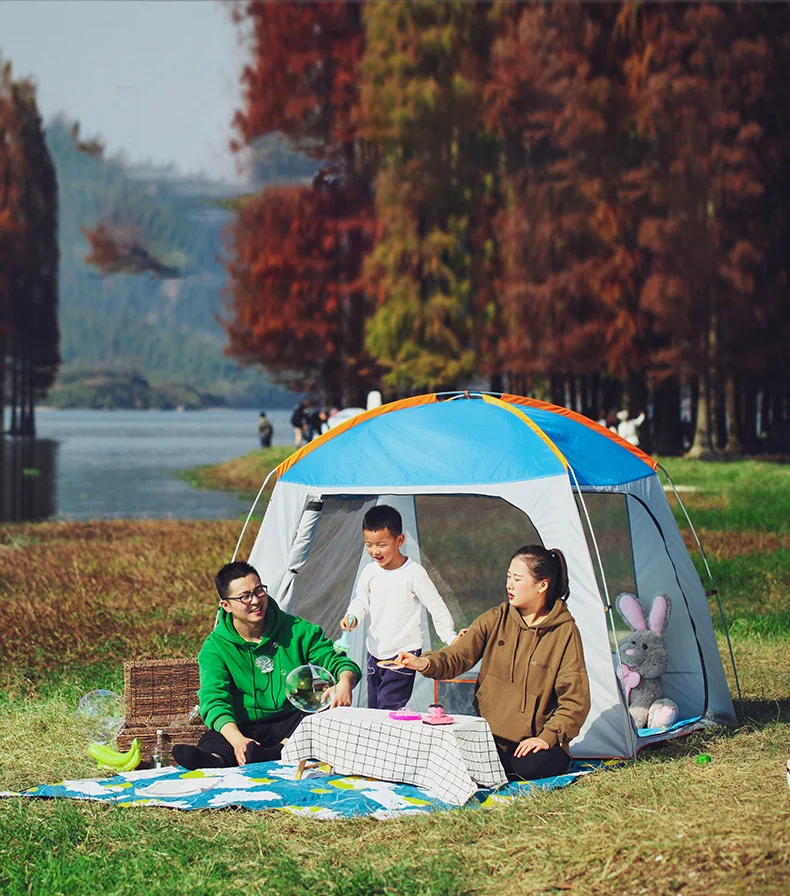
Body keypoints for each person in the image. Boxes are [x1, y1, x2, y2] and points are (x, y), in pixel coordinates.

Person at [395, 545, 590, 781]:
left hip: (533, 744)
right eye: (508, 577)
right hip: (490, 739)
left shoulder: (565, 632)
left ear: (542, 585)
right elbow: (456, 655)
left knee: (530, 765)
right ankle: (495, 767)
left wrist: (547, 737)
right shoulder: (496, 618)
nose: (509, 585)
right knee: (450, 753)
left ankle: (515, 766)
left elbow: (575, 701)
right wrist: (423, 663)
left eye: (517, 579)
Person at [172, 561, 360, 770]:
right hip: (245, 726)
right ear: (226, 605)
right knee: (215, 737)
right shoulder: (215, 647)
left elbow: (335, 659)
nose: (255, 601)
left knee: (320, 720)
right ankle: (216, 759)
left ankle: (273, 752)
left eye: (259, 590)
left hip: (291, 719)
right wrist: (237, 741)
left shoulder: (296, 629)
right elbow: (214, 699)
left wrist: (345, 680)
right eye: (245, 596)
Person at [339, 505, 458, 711]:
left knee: (388, 706)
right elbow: (361, 600)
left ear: (400, 540)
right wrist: (353, 615)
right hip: (374, 651)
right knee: (374, 706)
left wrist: (451, 638)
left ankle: (389, 741)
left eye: (382, 545)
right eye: (369, 544)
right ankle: (377, 742)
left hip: (404, 654)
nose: (375, 551)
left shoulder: (414, 573)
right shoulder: (370, 572)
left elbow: (436, 607)